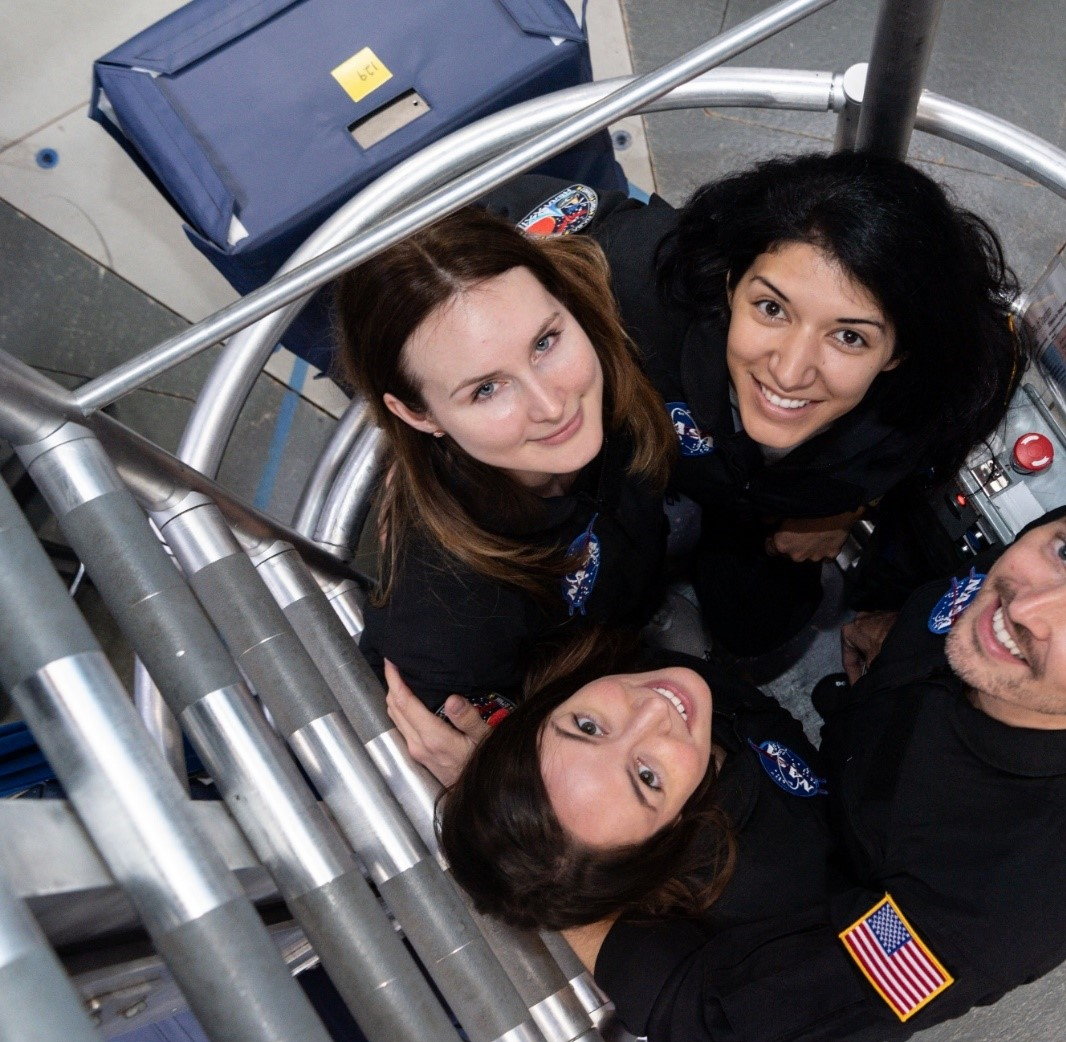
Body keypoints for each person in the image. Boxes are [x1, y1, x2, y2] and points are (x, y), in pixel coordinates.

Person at [395, 461, 1066, 1042]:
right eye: (1063, 549)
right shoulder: (998, 606)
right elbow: (959, 607)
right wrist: (891, 633)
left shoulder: (1003, 896)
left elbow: (703, 1015)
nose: (1023, 606)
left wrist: (530, 845)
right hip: (849, 738)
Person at [481, 152, 1024, 658]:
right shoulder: (644, 282)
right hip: (641, 471)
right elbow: (478, 229)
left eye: (850, 338)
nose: (789, 371)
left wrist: (850, 508)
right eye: (770, 308)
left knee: (757, 634)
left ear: (898, 353)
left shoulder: (938, 392)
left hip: (779, 512)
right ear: (729, 282)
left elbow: (937, 449)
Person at [339, 207, 676, 716]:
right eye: (486, 389)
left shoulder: (634, 297)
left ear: (563, 296)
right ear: (417, 413)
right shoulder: (447, 611)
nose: (552, 405)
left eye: (544, 342)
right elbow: (423, 719)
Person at [417, 631, 846, 939]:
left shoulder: (592, 661)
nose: (652, 710)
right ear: (672, 832)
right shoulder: (787, 868)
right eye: (647, 778)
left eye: (587, 726)